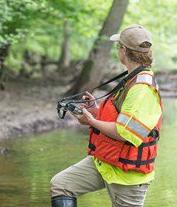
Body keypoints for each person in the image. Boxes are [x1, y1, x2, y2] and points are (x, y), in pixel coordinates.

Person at [51, 25, 163, 207]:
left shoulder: (142, 89)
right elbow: (120, 116)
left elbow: (125, 132)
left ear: (124, 50)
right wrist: (95, 111)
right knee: (62, 184)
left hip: (128, 175)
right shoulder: (131, 77)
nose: (118, 49)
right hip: (106, 162)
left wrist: (92, 121)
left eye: (118, 46)